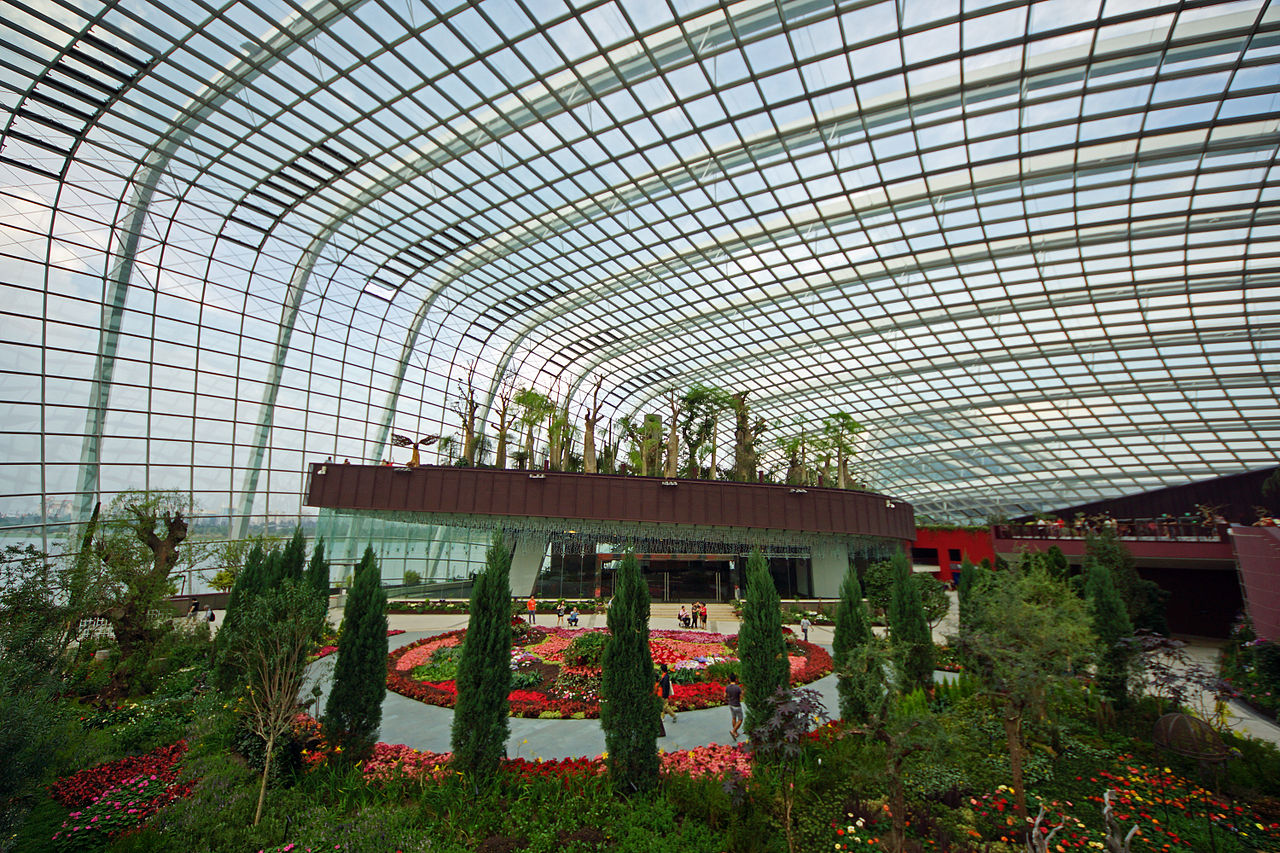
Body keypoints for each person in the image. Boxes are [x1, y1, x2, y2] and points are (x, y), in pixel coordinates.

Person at [725, 673, 743, 741]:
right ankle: (733, 731)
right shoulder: (738, 688)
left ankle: (735, 733)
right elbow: (741, 697)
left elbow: (725, 695)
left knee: (734, 718)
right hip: (737, 705)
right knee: (740, 719)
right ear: (735, 679)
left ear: (729, 679)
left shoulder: (727, 687)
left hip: (731, 704)